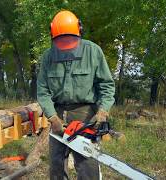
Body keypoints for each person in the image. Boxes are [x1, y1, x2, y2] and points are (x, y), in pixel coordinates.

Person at [37, 10, 115, 180]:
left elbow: (107, 86)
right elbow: (42, 92)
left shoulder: (93, 52)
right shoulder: (48, 57)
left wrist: (103, 112)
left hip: (85, 113)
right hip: (58, 113)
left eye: (70, 40)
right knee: (56, 165)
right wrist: (52, 117)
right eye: (61, 40)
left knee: (87, 165)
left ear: (79, 31)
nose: (66, 43)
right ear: (53, 35)